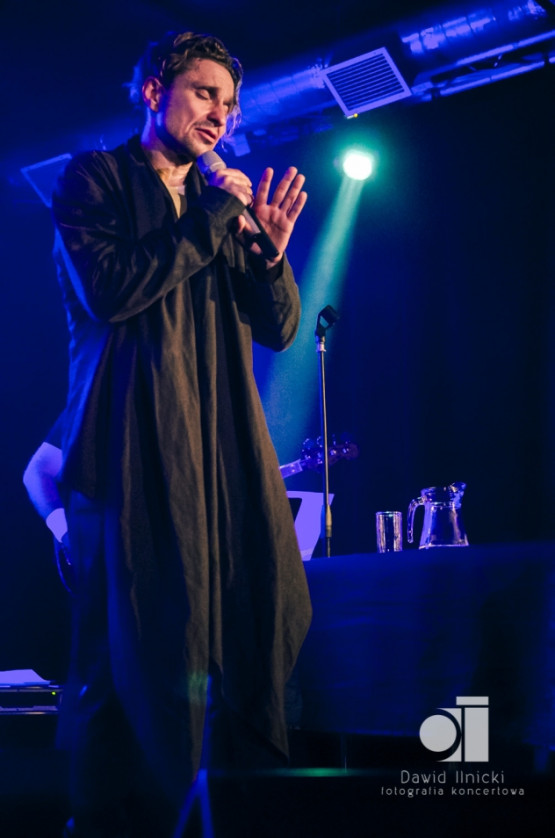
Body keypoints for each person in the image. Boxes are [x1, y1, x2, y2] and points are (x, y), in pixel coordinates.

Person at [48, 30, 312, 838]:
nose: (220, 115)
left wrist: (269, 257)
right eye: (204, 93)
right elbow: (110, 291)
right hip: (129, 446)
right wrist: (216, 212)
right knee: (132, 649)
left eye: (228, 103)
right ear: (153, 89)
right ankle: (114, 817)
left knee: (247, 615)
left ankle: (225, 806)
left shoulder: (215, 201)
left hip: (218, 446)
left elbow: (280, 330)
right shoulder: (94, 177)